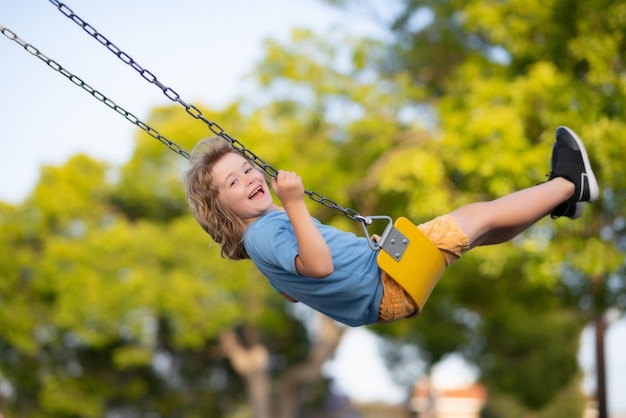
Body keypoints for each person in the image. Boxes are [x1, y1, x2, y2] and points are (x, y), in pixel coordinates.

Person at [183, 126, 598, 327]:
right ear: (221, 210)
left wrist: (351, 258)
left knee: (479, 231)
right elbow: (320, 266)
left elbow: (292, 292)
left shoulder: (262, 239)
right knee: (477, 216)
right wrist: (295, 204)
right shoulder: (267, 231)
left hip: (383, 277)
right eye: (233, 182)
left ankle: (557, 203)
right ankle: (569, 182)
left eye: (248, 167)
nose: (250, 178)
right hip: (386, 280)